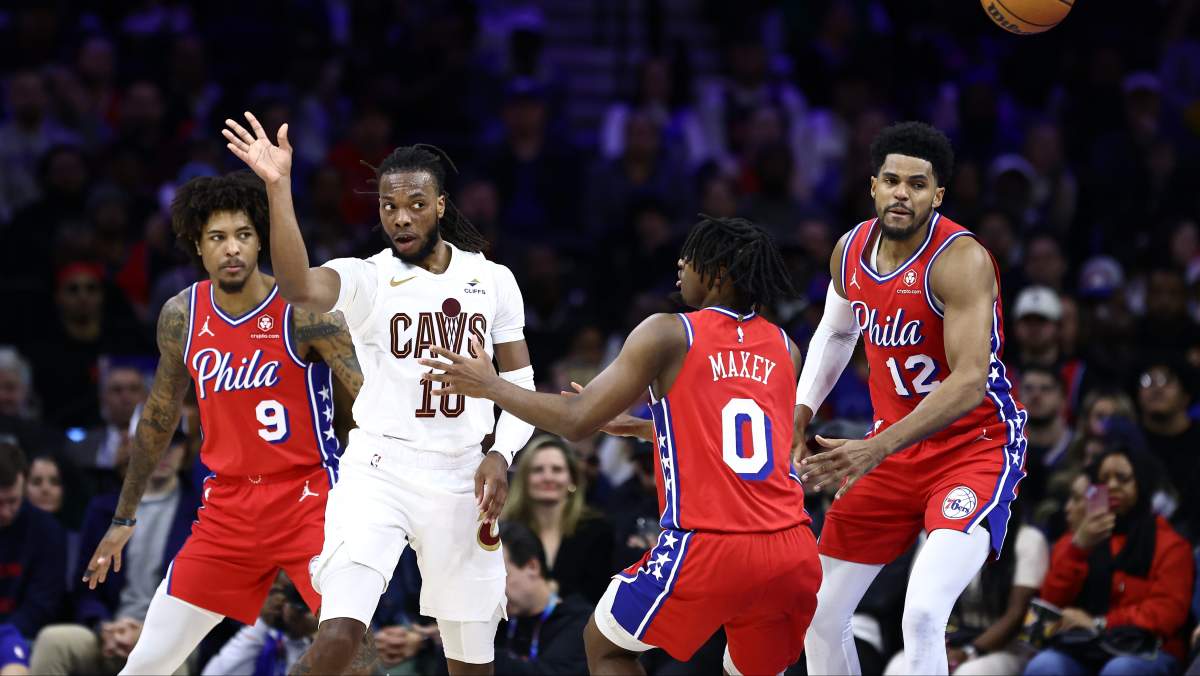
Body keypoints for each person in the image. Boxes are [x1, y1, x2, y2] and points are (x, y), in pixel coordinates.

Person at [424, 215, 821, 675]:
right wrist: (645, 428)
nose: (680, 263)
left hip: (712, 545)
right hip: (792, 549)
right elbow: (751, 442)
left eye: (691, 256)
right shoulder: (786, 347)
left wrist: (491, 385)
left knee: (605, 645)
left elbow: (575, 420)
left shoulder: (669, 332)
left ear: (718, 274)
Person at [223, 111, 536, 675]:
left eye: (416, 203)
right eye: (389, 206)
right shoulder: (369, 277)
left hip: (463, 474)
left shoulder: (493, 280)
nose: (401, 217)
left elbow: (520, 385)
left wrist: (501, 453)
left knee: (471, 663)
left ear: (441, 205)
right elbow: (297, 286)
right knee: (340, 632)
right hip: (379, 469)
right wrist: (277, 188)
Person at [78, 171, 367, 675]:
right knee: (144, 666)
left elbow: (371, 401)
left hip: (311, 501)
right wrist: (124, 518)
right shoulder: (182, 315)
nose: (232, 248)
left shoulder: (304, 312)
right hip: (228, 508)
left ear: (260, 240)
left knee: (356, 658)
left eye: (243, 234)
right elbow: (159, 418)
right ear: (198, 244)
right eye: (217, 237)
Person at [795, 121, 1027, 675]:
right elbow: (836, 333)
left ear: (937, 195)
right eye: (892, 181)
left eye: (917, 184)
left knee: (922, 614)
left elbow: (969, 382)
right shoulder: (849, 250)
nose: (903, 193)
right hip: (893, 449)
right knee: (816, 613)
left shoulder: (960, 259)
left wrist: (874, 448)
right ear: (873, 186)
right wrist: (798, 416)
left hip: (974, 448)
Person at [29, 433, 198, 676]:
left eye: (173, 444)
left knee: (173, 661)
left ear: (185, 451)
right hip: (109, 629)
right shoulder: (103, 508)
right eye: (155, 441)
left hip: (169, 634)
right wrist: (104, 627)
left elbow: (201, 592)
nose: (163, 451)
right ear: (134, 446)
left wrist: (147, 632)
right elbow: (85, 587)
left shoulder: (200, 511)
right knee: (52, 641)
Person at [1024, 448, 1192, 675]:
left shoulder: (1170, 545)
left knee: (1120, 670)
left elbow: (1167, 614)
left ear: (1142, 483)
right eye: (1104, 480)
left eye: (1122, 478)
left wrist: (1100, 623)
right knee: (1044, 666)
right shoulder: (1077, 540)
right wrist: (1077, 550)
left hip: (1147, 650)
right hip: (1083, 647)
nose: (1112, 485)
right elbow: (1048, 608)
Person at [501, 435, 615, 603]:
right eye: (538, 470)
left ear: (572, 479)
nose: (548, 477)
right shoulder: (504, 533)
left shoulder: (598, 531)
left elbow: (599, 596)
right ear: (524, 479)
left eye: (557, 470)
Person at [0, 442, 66, 676]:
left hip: (26, 634)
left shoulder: (47, 530)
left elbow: (42, 604)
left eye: (13, 501)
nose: (5, 512)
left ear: (24, 486)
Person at [493, 521, 591, 675]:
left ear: (532, 567)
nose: (494, 592)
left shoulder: (581, 624)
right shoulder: (496, 619)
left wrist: (477, 658)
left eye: (498, 577)